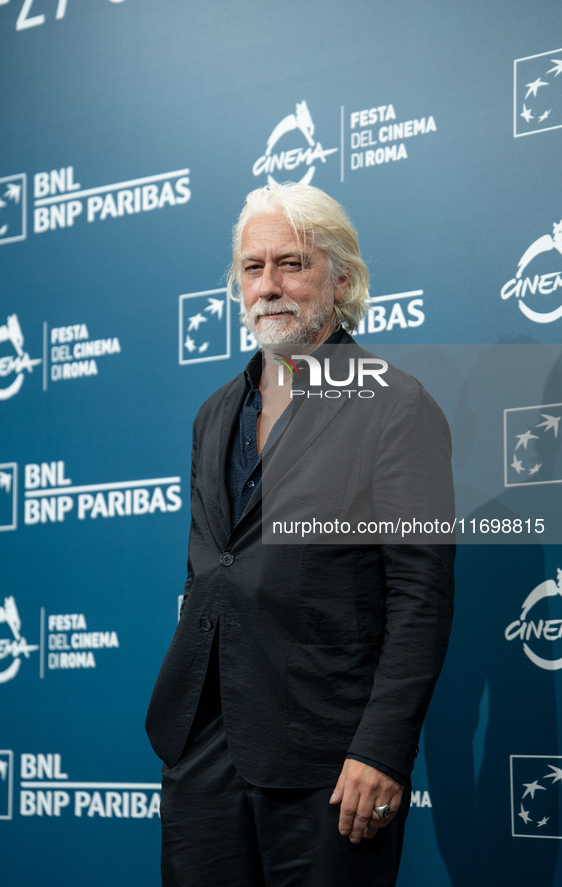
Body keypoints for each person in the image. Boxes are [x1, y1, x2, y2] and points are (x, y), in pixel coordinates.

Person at [146, 182, 455, 886]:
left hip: (328, 757)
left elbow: (420, 596)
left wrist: (380, 749)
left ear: (340, 279)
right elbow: (209, 566)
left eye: (291, 263)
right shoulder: (214, 412)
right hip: (203, 750)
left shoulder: (395, 405)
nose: (269, 285)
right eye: (252, 268)